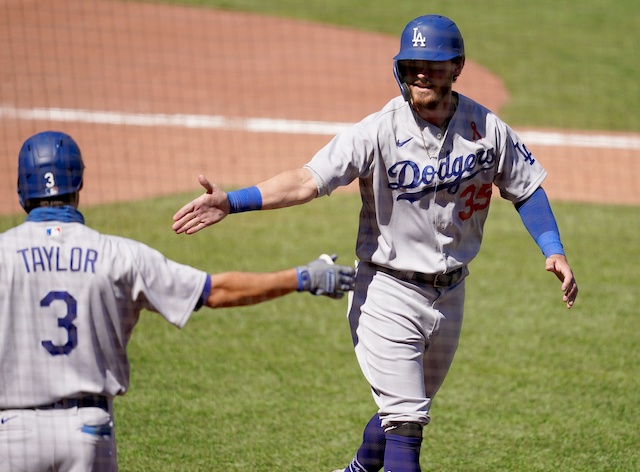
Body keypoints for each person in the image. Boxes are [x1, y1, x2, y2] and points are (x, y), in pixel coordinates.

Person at [171, 14, 579, 472]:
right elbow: (307, 181)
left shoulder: (486, 129)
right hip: (387, 292)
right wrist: (234, 201)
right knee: (407, 424)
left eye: (433, 64)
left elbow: (526, 187)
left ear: (457, 67)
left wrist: (553, 249)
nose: (421, 73)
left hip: (451, 294)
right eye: (412, 65)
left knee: (403, 413)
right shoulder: (377, 131)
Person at [0, 130, 355, 472]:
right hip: (87, 432)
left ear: (20, 191)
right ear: (78, 185)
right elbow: (216, 292)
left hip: (11, 432)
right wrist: (301, 278)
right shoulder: (120, 255)